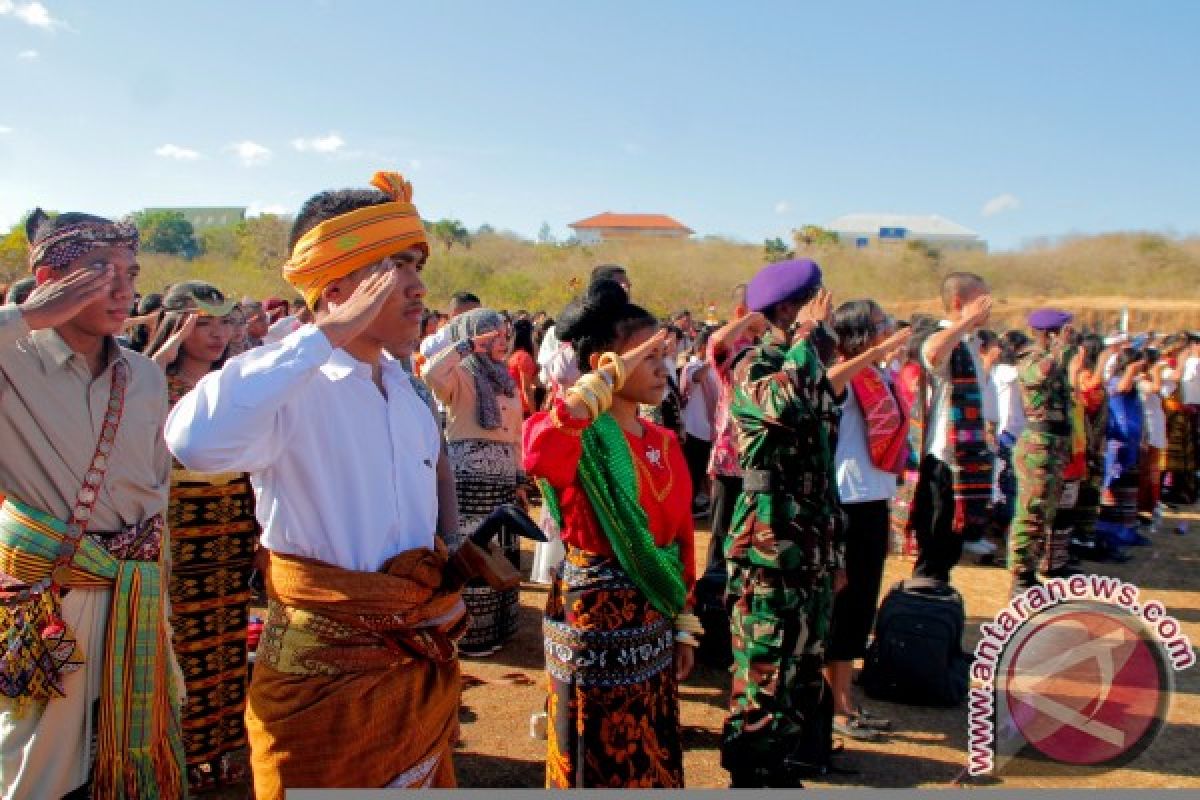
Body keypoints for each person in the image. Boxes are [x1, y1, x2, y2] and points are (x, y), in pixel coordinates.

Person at [165, 171, 477, 796]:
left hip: (410, 661)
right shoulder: (289, 381)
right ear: (336, 287)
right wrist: (325, 333)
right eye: (396, 269)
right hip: (319, 677)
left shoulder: (406, 391)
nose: (419, 290)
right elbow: (192, 442)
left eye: (416, 267)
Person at [0, 209, 185, 799]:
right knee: (39, 761)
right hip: (52, 596)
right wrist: (30, 315)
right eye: (100, 273)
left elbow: (156, 489)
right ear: (52, 278)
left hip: (137, 590)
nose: (123, 288)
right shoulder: (14, 357)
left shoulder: (145, 375)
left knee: (129, 750)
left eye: (130, 273)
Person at [524, 279, 696, 788]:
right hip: (595, 621)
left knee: (649, 741)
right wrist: (599, 385)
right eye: (646, 356)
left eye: (665, 355)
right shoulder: (578, 435)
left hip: (652, 613)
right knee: (597, 746)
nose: (663, 367)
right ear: (606, 363)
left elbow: (681, 536)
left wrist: (683, 620)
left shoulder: (663, 440)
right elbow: (539, 453)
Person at [719, 259, 847, 788]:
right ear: (791, 310)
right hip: (767, 546)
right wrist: (809, 337)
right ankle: (749, 774)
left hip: (811, 547)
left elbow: (823, 469)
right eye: (818, 302)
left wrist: (836, 555)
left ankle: (781, 767)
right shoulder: (755, 364)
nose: (828, 311)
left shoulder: (808, 367)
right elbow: (780, 406)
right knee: (765, 670)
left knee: (802, 670)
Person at [143, 281, 259, 791]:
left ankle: (222, 745)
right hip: (174, 523)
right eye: (202, 323)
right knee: (177, 638)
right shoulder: (150, 385)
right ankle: (176, 748)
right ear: (178, 325)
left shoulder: (234, 386)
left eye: (223, 322)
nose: (216, 335)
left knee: (228, 633)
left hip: (232, 520)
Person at [824, 300, 912, 741]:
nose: (889, 330)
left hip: (873, 497)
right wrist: (870, 357)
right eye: (880, 325)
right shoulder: (846, 370)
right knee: (843, 607)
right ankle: (835, 707)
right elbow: (828, 385)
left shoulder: (879, 374)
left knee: (860, 608)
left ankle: (845, 701)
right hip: (847, 499)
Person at [424, 309, 525, 657]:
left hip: (502, 481)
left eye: (503, 334)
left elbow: (516, 432)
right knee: (473, 553)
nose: (501, 341)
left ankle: (499, 627)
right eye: (491, 335)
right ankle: (470, 634)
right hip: (467, 482)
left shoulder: (505, 378)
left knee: (501, 553)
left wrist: (519, 477)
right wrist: (465, 346)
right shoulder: (459, 376)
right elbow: (429, 370)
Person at [904, 272, 994, 584]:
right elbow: (931, 353)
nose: (988, 307)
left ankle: (936, 600)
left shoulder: (969, 344)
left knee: (949, 549)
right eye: (981, 300)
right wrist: (965, 322)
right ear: (959, 303)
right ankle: (923, 606)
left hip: (965, 462)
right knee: (934, 545)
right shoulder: (944, 339)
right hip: (943, 459)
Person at [1008, 309, 1080, 593]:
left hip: (1054, 444)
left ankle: (1031, 570)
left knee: (1046, 511)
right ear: (1051, 333)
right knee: (1032, 510)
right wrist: (1058, 351)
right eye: (1064, 330)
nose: (1070, 335)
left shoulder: (1056, 361)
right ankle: (1019, 577)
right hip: (1038, 445)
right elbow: (1038, 377)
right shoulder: (1032, 359)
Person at [680, 327, 719, 515]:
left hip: (706, 429)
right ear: (703, 347)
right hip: (693, 429)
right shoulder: (693, 366)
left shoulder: (710, 368)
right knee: (691, 474)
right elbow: (697, 378)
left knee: (700, 472)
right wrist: (712, 359)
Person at [418, 291, 482, 362]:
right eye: (474, 315)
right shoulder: (432, 345)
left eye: (480, 314)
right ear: (455, 314)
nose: (478, 319)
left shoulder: (483, 337)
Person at [507, 317, 539, 417]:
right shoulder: (524, 357)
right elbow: (526, 389)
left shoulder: (512, 356)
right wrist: (534, 414)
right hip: (523, 408)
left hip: (512, 404)